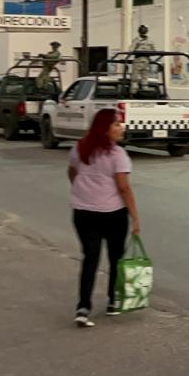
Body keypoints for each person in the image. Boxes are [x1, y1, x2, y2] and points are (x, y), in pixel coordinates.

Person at [67, 108, 140, 327]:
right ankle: (113, 301)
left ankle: (83, 307)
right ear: (105, 128)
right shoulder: (117, 155)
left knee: (90, 258)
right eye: (116, 124)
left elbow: (72, 172)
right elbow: (124, 188)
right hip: (113, 214)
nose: (121, 128)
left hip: (83, 213)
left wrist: (83, 191)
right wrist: (136, 218)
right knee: (115, 258)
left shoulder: (80, 148)